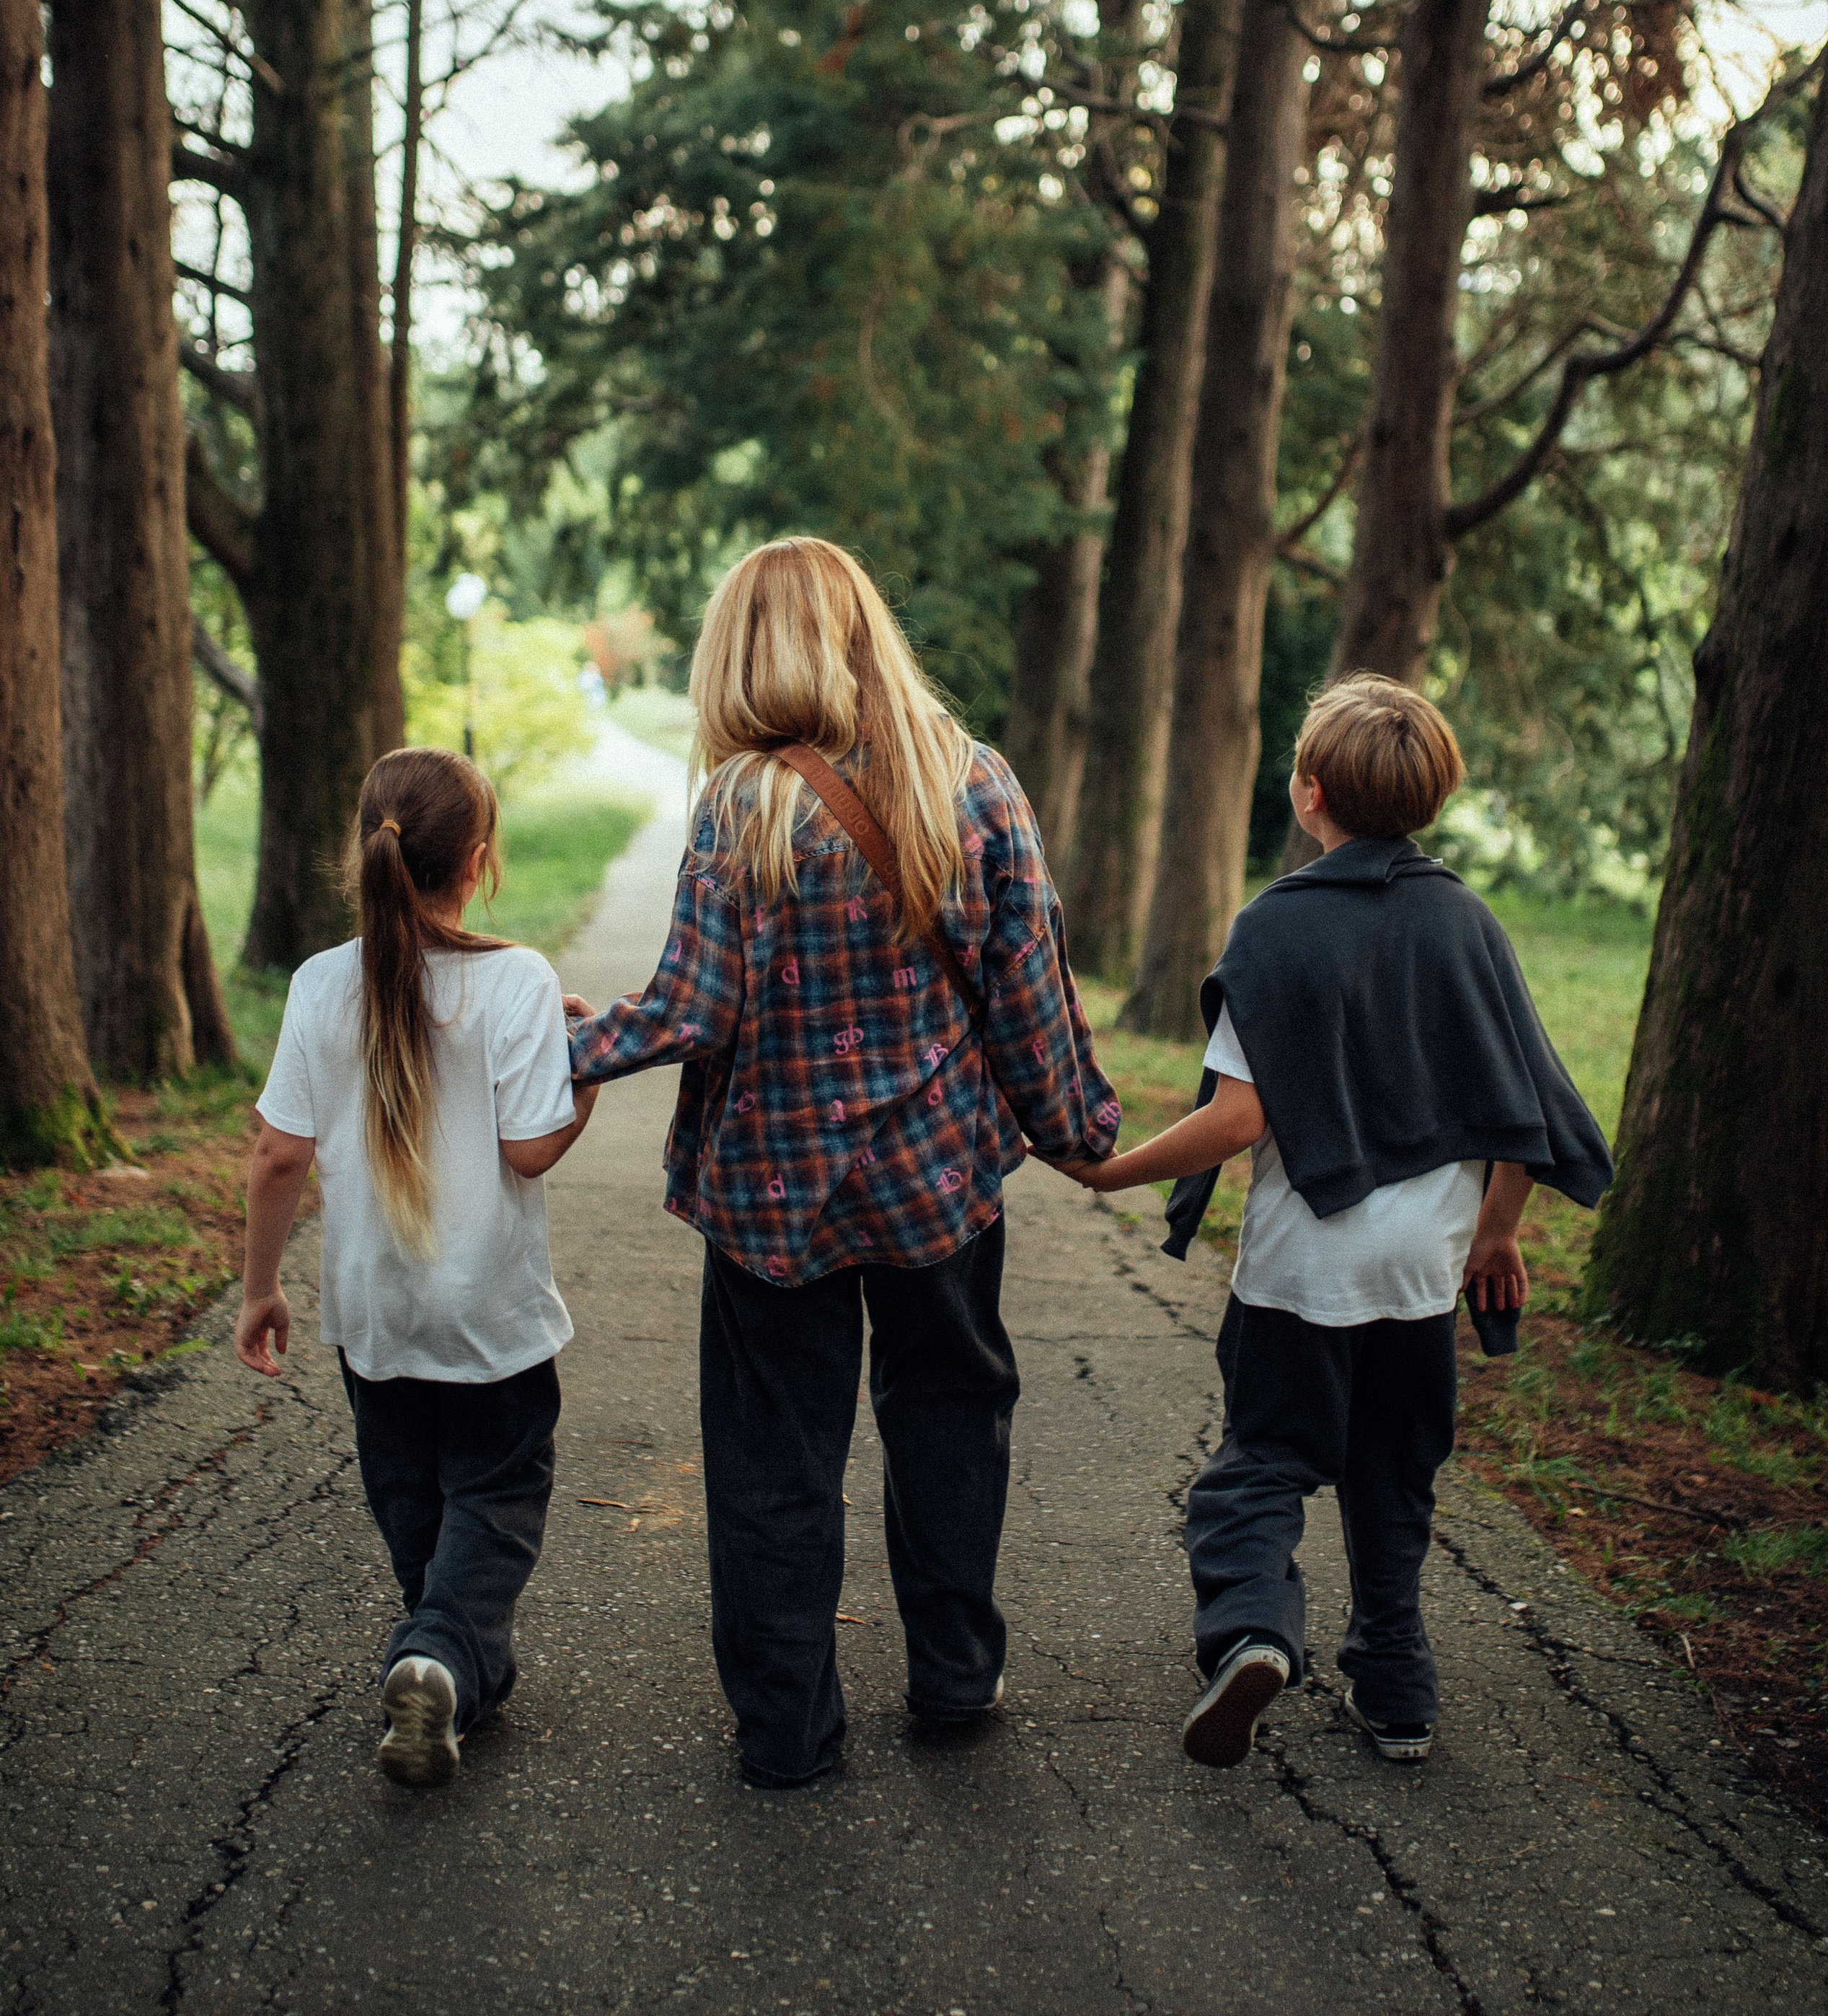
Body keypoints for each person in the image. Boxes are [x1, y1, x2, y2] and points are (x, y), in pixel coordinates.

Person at [566, 536, 1121, 1789]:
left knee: (774, 1459)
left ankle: (787, 1733)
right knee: (951, 1421)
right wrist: (1075, 1125)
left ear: (739, 655)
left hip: (772, 1199)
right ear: (867, 635)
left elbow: (693, 1010)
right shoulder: (972, 783)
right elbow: (1027, 984)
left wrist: (558, 1041)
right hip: (938, 1182)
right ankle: (954, 1679)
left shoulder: (740, 805)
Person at [1063, 675, 1612, 1773]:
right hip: (1423, 1274)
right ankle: (1399, 1690)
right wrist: (1496, 1234)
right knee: (1395, 1471)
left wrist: (1112, 1171)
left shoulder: (1277, 927)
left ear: (1309, 794)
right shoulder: (1468, 922)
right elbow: (1528, 1112)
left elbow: (1240, 1118)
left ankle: (1255, 1634)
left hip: (1305, 1269)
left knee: (1263, 1461)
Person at [234, 747, 600, 1788]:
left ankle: (445, 1662)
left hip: (373, 1319)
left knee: (413, 1504)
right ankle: (439, 1655)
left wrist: (262, 1289)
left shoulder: (318, 984)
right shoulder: (517, 979)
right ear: (478, 862)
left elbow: (275, 1155)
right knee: (495, 1499)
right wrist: (590, 1082)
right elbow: (531, 1149)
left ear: (367, 852)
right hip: (490, 1320)